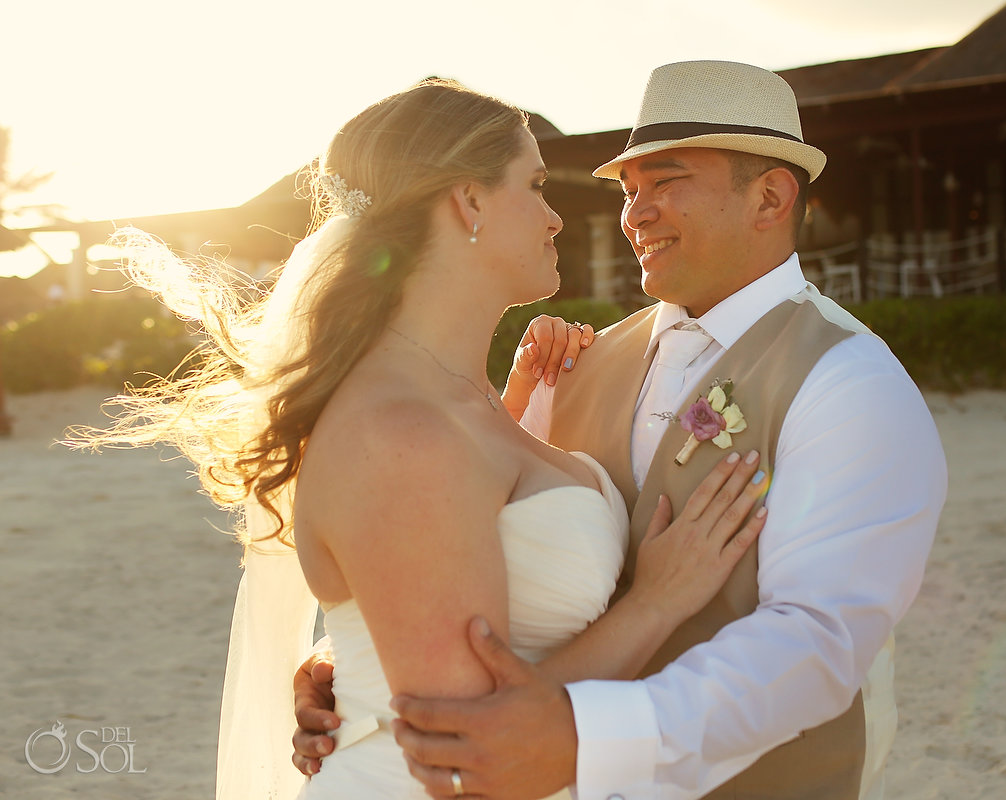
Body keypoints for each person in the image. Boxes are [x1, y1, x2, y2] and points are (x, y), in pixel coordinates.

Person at [71, 79, 772, 800]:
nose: (556, 217)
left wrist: (346, 661)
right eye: (533, 185)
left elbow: (442, 579)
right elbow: (465, 737)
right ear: (467, 202)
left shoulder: (468, 405)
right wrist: (656, 604)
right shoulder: (399, 430)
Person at [292, 61, 948, 800]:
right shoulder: (577, 364)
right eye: (630, 190)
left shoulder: (847, 382)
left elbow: (818, 643)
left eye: (666, 182)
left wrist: (581, 736)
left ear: (769, 196)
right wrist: (355, 667)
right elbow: (463, 552)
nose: (634, 213)